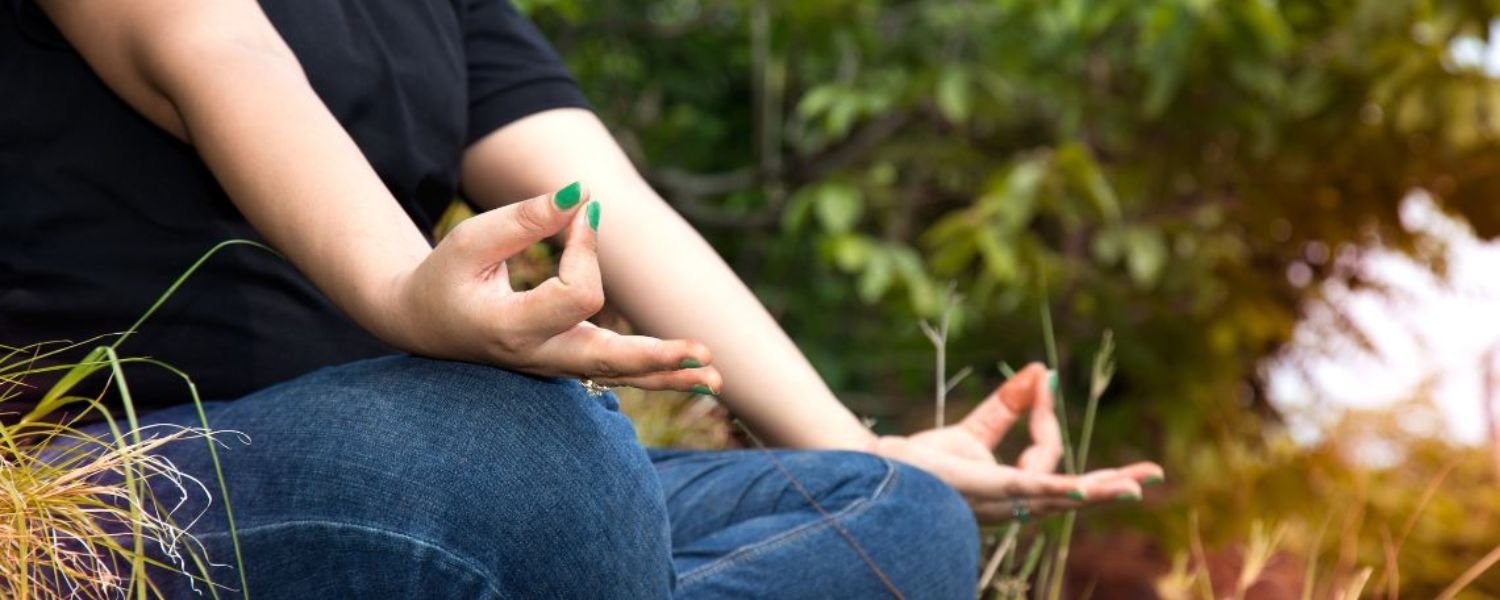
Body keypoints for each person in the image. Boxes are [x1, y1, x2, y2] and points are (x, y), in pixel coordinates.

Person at [0, 0, 1163, 597]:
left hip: (450, 473)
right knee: (536, 464)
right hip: (116, 477)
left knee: (893, 519)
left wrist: (863, 442)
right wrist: (405, 292)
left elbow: (607, 199)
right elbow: (212, 54)